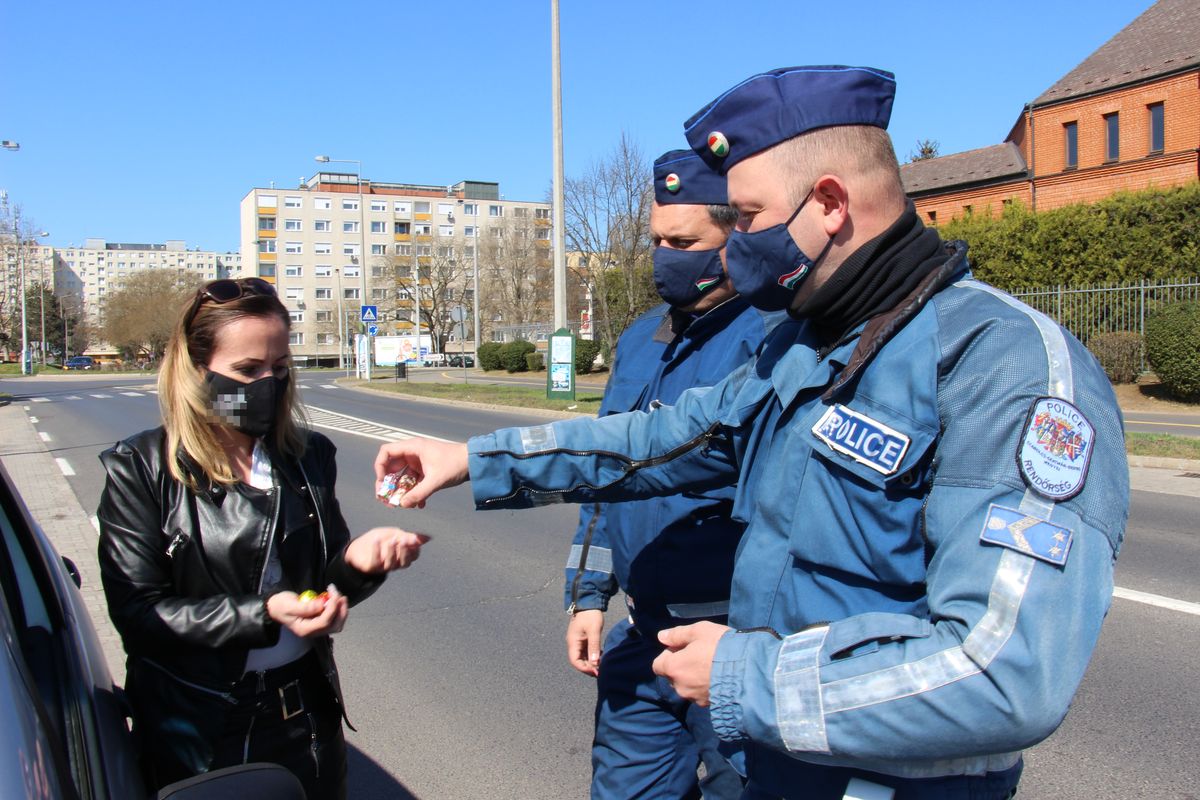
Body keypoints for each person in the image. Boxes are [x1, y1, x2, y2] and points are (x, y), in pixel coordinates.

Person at [375, 65, 1128, 800]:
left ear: (829, 203)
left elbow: (1005, 674)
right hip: (779, 763)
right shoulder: (806, 349)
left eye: (747, 220)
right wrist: (475, 459)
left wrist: (742, 677)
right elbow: (659, 440)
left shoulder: (1005, 366)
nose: (733, 250)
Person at [98, 277, 429, 799]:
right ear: (195, 371)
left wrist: (361, 563)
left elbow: (324, 585)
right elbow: (139, 615)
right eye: (247, 371)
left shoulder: (307, 455)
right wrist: (265, 611)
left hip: (304, 716)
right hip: (200, 726)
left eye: (278, 368)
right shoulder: (141, 467)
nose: (266, 386)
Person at [566, 149, 779, 799]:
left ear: (735, 237)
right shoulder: (639, 340)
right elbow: (607, 475)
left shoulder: (776, 338)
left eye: (683, 242)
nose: (665, 256)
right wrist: (587, 594)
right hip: (645, 637)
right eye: (656, 240)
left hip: (736, 643)